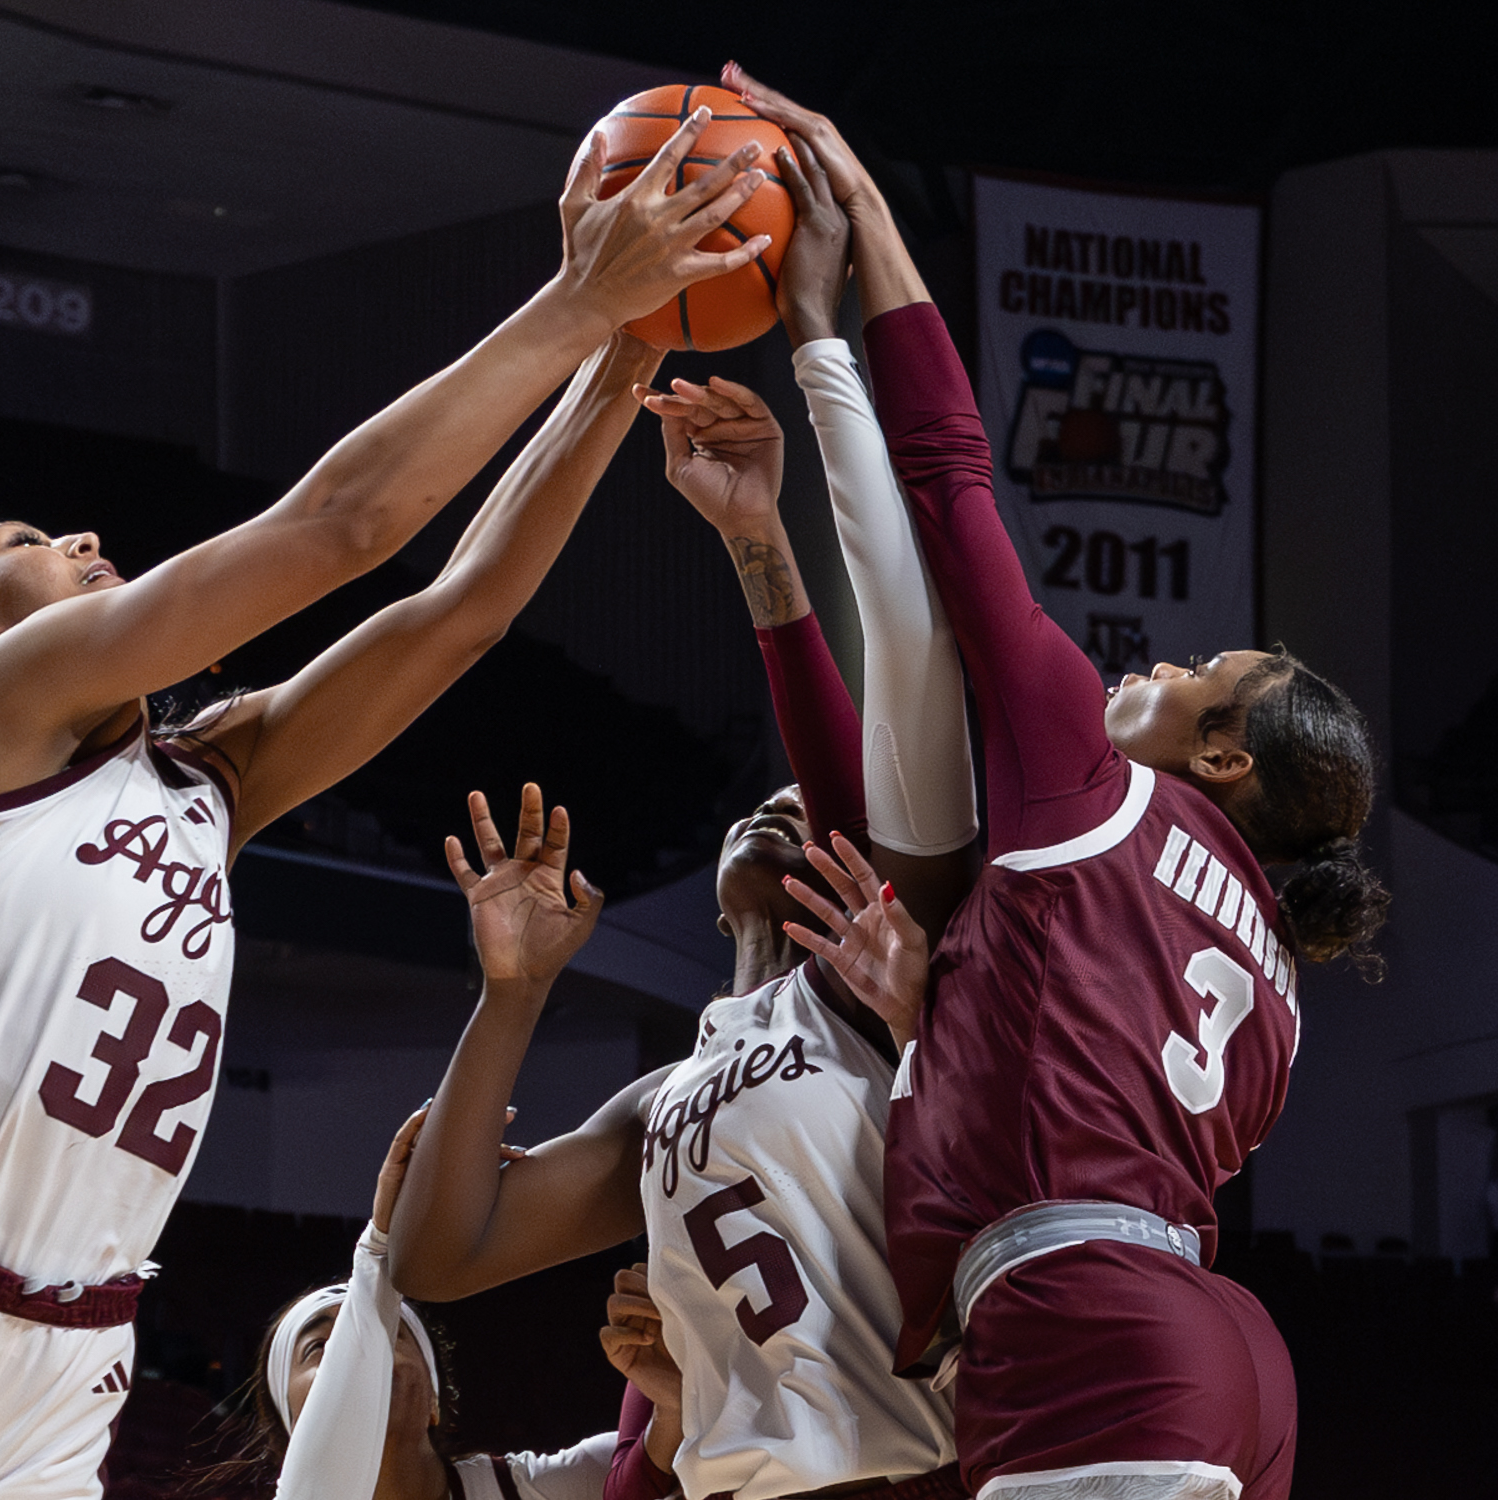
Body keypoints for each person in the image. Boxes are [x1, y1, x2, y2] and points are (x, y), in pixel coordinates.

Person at [0, 112, 774, 1500]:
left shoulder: (206, 784)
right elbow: (344, 530)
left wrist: (628, 358)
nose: (70, 538)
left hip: (71, 1348)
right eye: (15, 546)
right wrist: (575, 300)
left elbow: (462, 611)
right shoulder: (5, 716)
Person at [723, 63, 1391, 1500]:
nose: (1155, 657)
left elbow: (956, 479)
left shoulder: (1095, 788)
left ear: (1221, 759)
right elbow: (1067, 1067)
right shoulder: (1270, 975)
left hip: (1092, 1318)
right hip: (1204, 1341)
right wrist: (940, 1009)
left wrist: (865, 232)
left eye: (1196, 670)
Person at [388, 140, 980, 1498]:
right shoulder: (671, 1097)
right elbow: (442, 1256)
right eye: (759, 800)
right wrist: (515, 995)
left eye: (805, 804)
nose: (778, 807)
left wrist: (761, 544)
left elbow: (861, 752)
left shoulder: (905, 984)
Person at [201, 1107, 616, 1500]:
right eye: (318, 1347)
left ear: (434, 1400)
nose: (358, 1353)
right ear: (293, 1430)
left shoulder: (555, 1485)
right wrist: (380, 1240)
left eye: (389, 1332)